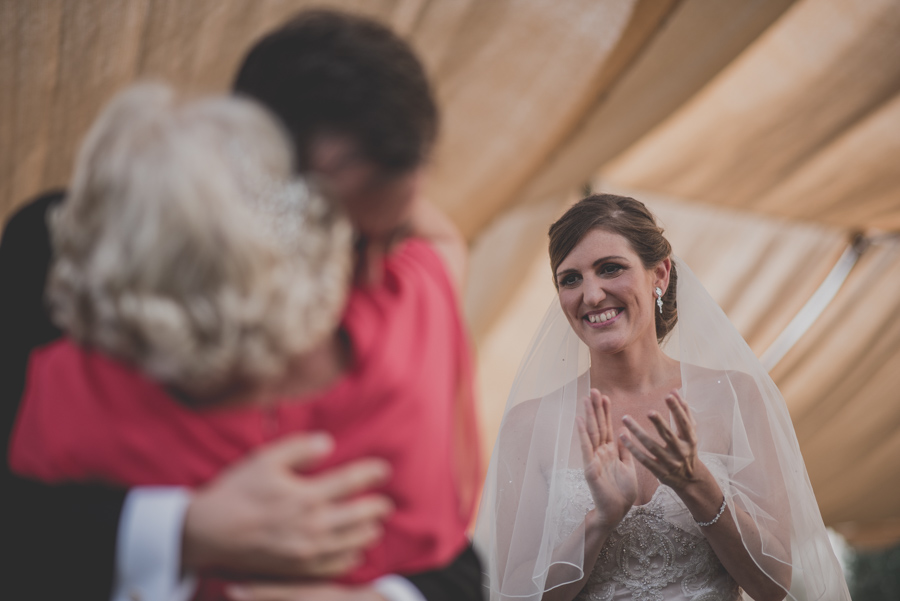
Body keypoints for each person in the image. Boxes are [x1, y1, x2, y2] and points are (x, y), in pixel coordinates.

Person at [1, 9, 481, 601]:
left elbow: (451, 556)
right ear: (256, 159)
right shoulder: (64, 254)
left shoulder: (403, 299)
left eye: (399, 233)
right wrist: (181, 531)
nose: (370, 276)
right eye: (348, 237)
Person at [473, 194, 851, 600]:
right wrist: (599, 521)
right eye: (570, 278)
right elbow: (515, 595)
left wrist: (696, 485)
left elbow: (774, 585)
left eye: (610, 268)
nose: (592, 294)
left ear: (660, 275)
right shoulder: (531, 424)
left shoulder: (735, 397)